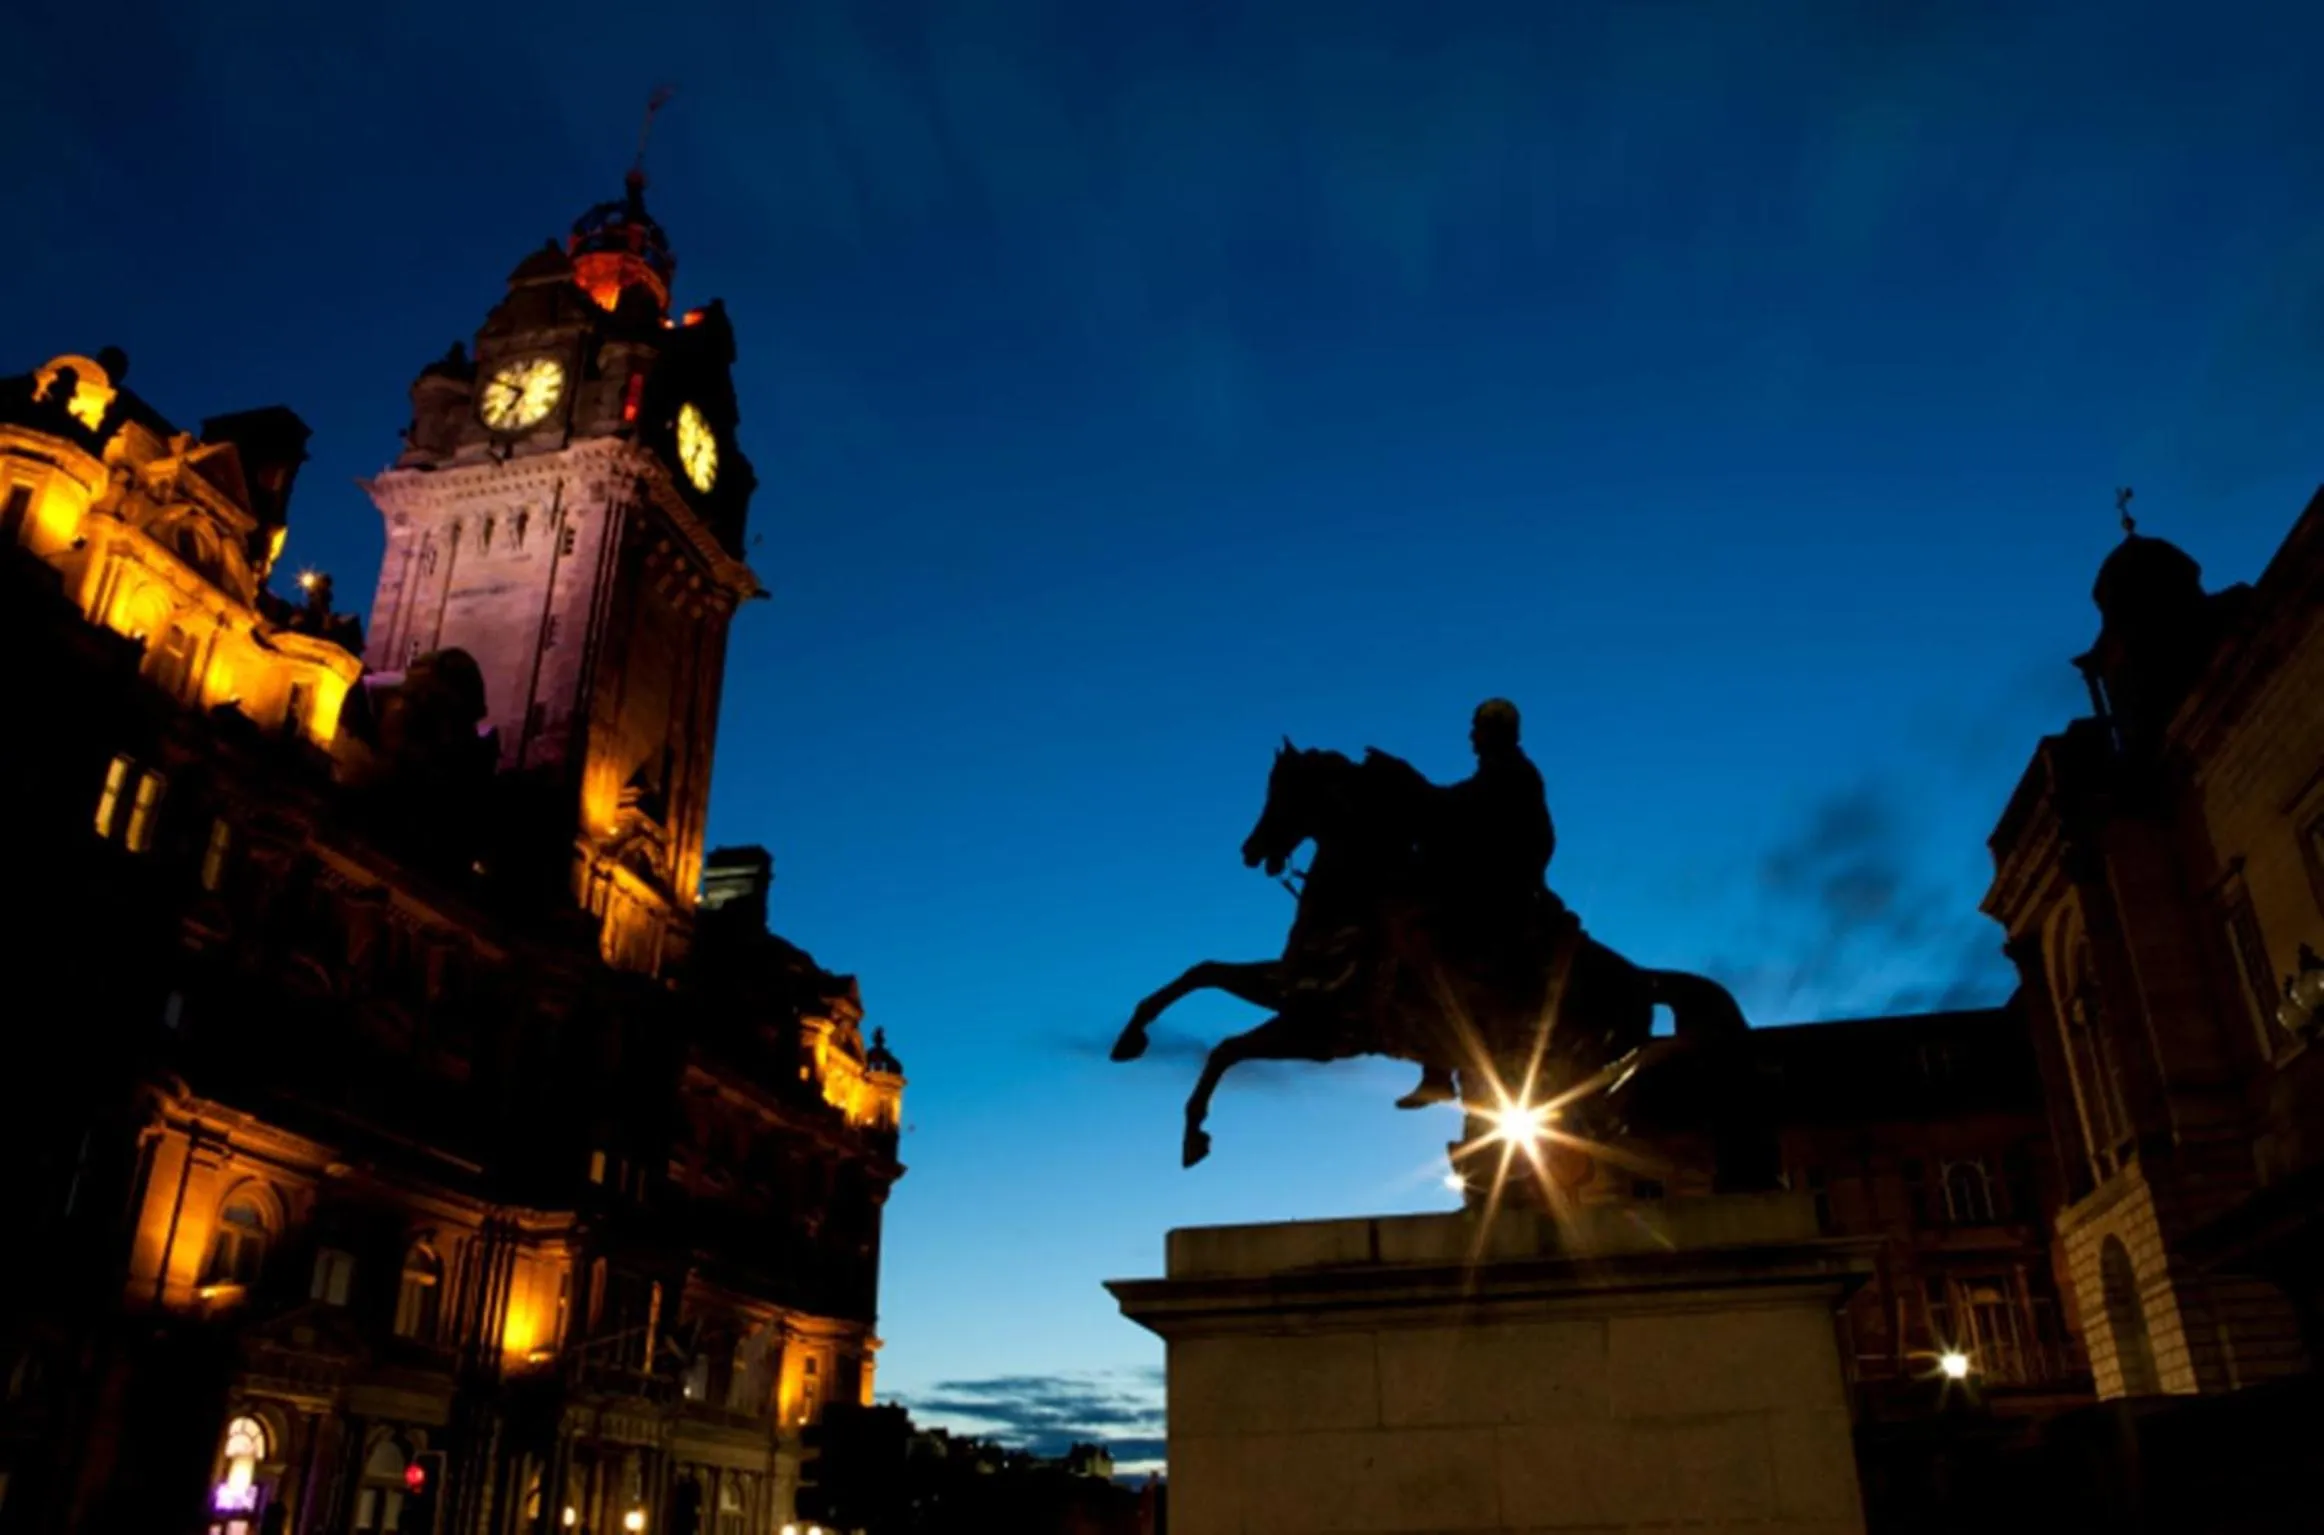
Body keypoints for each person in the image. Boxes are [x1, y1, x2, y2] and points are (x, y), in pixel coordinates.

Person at [1366, 698, 1557, 1108]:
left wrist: (1405, 777)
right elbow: (1450, 808)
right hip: (1491, 886)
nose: (1472, 737)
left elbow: (1454, 810)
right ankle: (1436, 1067)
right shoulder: (1495, 774)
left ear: (1497, 732)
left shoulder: (1513, 775)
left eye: (1478, 729)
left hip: (1502, 894)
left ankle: (1439, 1071)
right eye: (1475, 729)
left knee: (1429, 946)